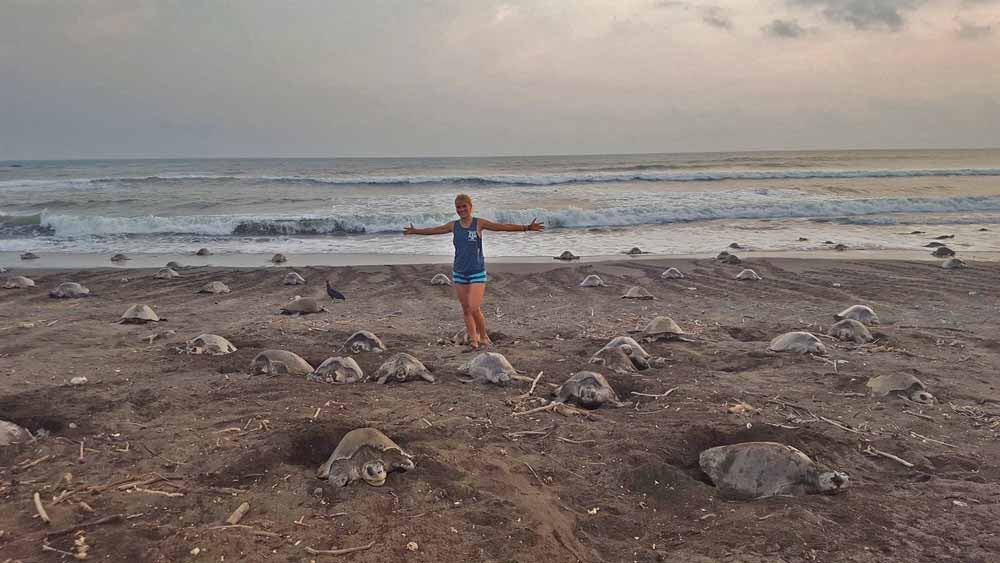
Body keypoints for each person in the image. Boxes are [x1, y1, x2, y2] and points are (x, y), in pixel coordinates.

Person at [404, 193, 544, 350]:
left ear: (470, 207)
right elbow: (434, 230)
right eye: (458, 207)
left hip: (477, 272)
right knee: (465, 309)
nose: (461, 209)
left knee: (474, 307)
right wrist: (415, 231)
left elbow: (501, 227)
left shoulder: (478, 223)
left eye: (464, 206)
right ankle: (473, 340)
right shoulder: (453, 225)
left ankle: (484, 336)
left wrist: (526, 228)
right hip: (459, 272)